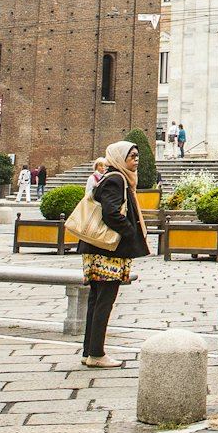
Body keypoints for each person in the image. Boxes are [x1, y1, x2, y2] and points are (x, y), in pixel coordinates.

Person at [79, 141, 150, 368]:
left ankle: (89, 350)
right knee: (104, 301)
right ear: (120, 158)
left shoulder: (112, 177)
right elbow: (111, 212)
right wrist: (130, 233)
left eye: (137, 155)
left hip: (97, 249)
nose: (136, 159)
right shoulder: (117, 179)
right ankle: (97, 354)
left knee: (96, 299)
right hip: (107, 250)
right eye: (132, 155)